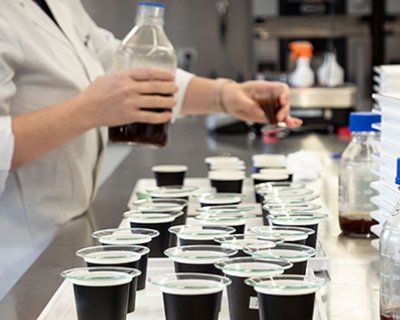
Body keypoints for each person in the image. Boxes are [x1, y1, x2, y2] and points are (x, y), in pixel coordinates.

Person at [0, 0, 301, 298]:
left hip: (68, 233)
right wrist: (88, 110)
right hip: (20, 260)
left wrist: (222, 96)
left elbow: (114, 61)